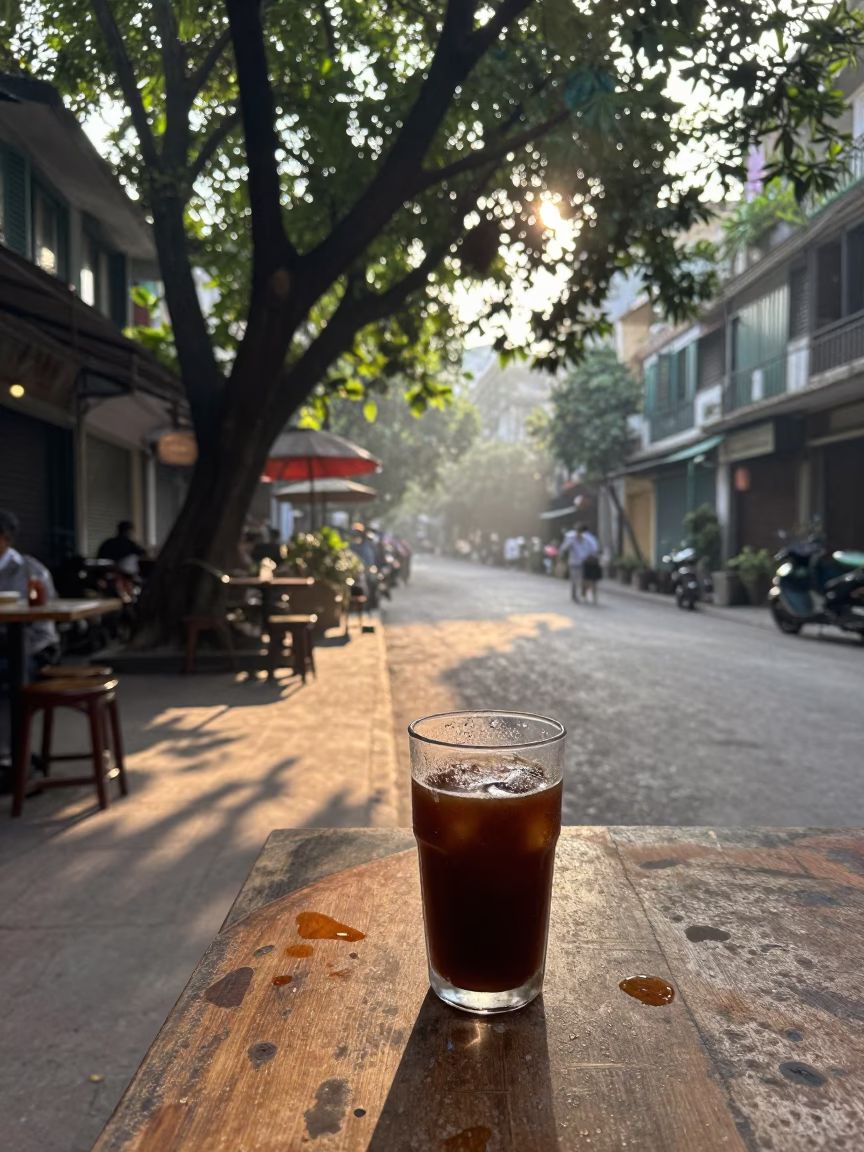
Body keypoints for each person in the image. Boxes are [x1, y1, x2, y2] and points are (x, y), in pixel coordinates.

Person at [0, 509, 60, 760]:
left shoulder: (30, 572)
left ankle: (13, 757)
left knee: (7, 674)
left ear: (6, 538)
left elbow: (45, 618)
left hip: (31, 647)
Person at [561, 523, 601, 604]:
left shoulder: (586, 539)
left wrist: (593, 557)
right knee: (574, 579)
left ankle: (583, 595)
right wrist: (561, 555)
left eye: (581, 532)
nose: (579, 534)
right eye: (578, 532)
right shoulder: (571, 538)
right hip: (574, 562)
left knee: (583, 580)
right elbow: (564, 547)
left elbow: (592, 549)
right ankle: (574, 595)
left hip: (584, 562)